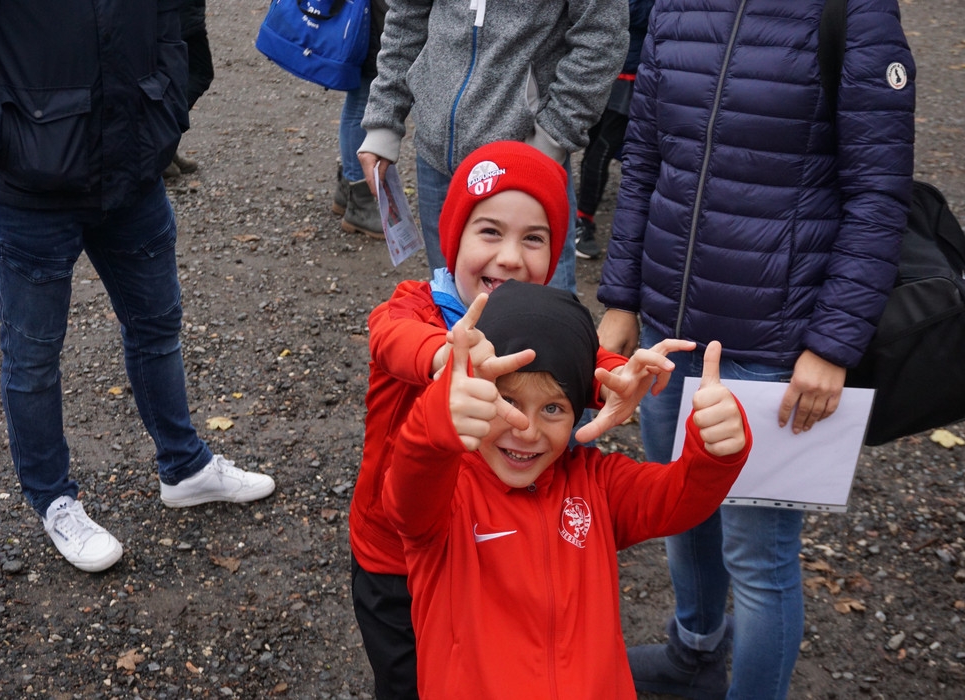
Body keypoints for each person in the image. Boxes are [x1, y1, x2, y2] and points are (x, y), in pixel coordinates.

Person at [596, 0, 916, 697]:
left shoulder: (853, 12)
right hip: (669, 332)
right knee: (683, 511)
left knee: (760, 560)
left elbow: (878, 195)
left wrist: (832, 343)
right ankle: (694, 655)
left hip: (775, 346)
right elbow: (644, 158)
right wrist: (621, 299)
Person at [349, 140, 689, 699]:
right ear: (453, 237)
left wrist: (615, 375)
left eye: (533, 238)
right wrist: (446, 358)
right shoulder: (412, 308)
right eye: (490, 231)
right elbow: (393, 339)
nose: (510, 257)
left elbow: (576, 360)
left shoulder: (537, 320)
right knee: (406, 679)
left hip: (478, 546)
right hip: (394, 549)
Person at [0, 0, 276, 574]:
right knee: (33, 357)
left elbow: (178, 21)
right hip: (28, 191)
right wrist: (3, 136)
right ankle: (54, 500)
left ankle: (184, 467)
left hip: (132, 170)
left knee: (157, 325)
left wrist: (163, 112)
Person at [382, 280, 752, 699]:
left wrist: (715, 450)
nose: (527, 430)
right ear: (473, 396)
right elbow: (406, 494)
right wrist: (436, 419)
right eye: (508, 402)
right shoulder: (446, 493)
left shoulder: (595, 483)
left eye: (553, 408)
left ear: (578, 412)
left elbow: (678, 499)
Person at [356, 0, 630, 291]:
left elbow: (602, 36)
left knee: (537, 311)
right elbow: (407, 14)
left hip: (527, 167)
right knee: (453, 302)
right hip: (436, 162)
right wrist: (384, 119)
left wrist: (549, 142)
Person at [573, 0, 655, 260]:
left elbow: (645, 16)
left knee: (602, 150)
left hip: (630, 76)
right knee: (593, 147)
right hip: (604, 72)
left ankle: (581, 221)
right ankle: (577, 220)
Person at [332, 0, 388, 239]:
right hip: (373, 16)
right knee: (363, 102)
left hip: (369, 14)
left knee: (359, 100)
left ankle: (348, 189)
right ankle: (359, 202)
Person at [164, 0, 215, 178]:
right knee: (198, 73)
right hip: (178, 11)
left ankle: (165, 147)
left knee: (170, 75)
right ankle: (158, 145)